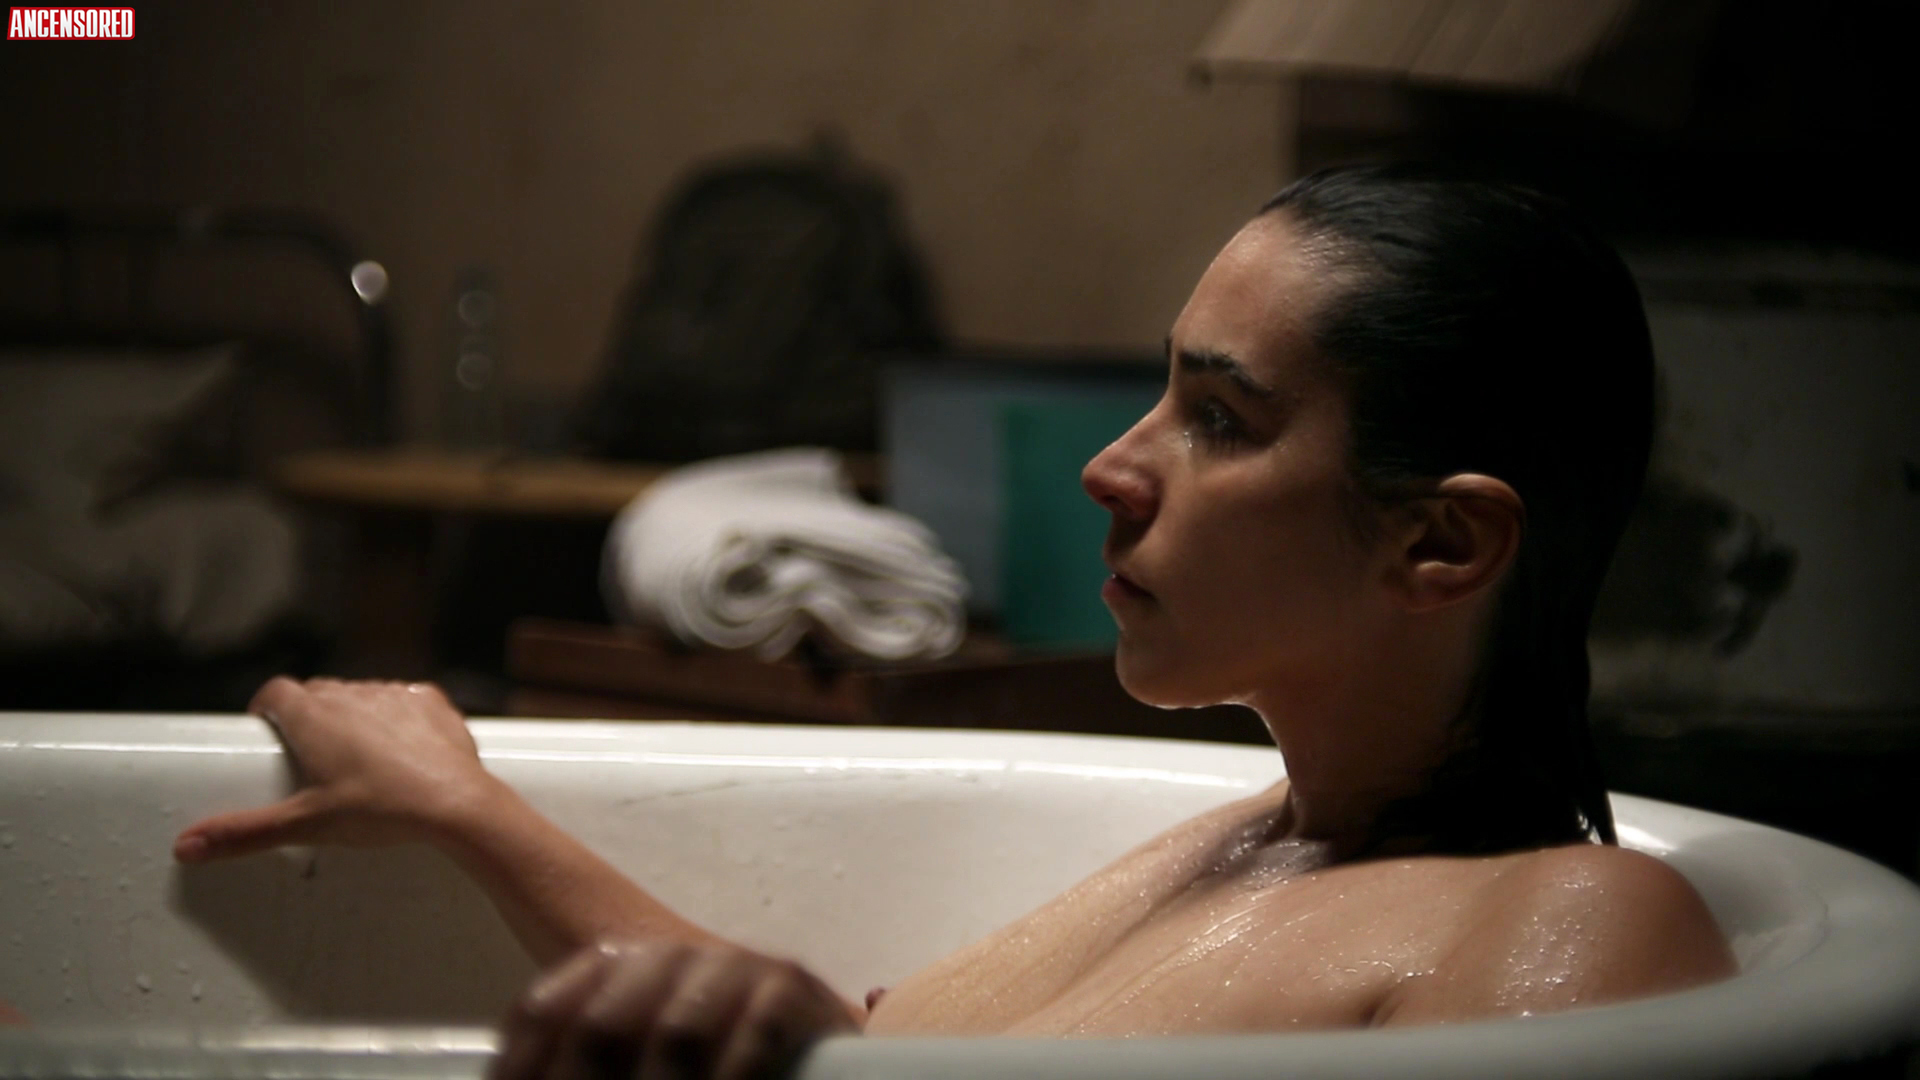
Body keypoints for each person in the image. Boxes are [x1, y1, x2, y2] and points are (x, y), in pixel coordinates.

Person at [173, 165, 1735, 1079]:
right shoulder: (1252, 845)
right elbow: (861, 1054)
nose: (1111, 466)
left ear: (1441, 545)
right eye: (1161, 393)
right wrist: (466, 809)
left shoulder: (1580, 925)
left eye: (1221, 420)